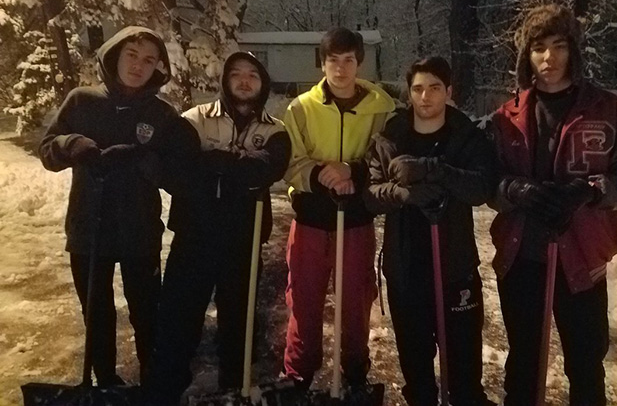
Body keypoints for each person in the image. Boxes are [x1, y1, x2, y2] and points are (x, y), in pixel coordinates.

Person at [489, 3, 617, 405]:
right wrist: (515, 190)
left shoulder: (610, 110)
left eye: (559, 46)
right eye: (538, 47)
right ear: (526, 56)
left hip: (581, 261)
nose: (549, 58)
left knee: (584, 363)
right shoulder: (506, 115)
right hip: (521, 258)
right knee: (524, 363)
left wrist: (589, 190)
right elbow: (486, 181)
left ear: (573, 51)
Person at [38, 26, 188, 385]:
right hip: (89, 229)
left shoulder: (161, 114)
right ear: (115, 55)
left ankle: (153, 381)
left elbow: (180, 173)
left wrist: (147, 163)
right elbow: (47, 150)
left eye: (149, 59)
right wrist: (71, 144)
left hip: (139, 231)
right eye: (131, 55)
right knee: (97, 313)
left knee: (146, 311)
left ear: (159, 67)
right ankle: (105, 381)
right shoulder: (81, 101)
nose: (138, 66)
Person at [144, 51, 291, 405]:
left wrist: (213, 161)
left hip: (245, 236)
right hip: (195, 233)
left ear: (262, 84)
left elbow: (267, 169)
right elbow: (173, 171)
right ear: (225, 81)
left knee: (239, 319)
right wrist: (234, 166)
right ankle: (166, 388)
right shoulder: (193, 120)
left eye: (252, 75)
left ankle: (235, 386)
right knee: (180, 315)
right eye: (236, 74)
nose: (244, 81)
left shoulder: (275, 130)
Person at [364, 56, 497, 406]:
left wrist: (435, 171)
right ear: (409, 93)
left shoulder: (466, 136)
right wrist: (403, 194)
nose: (426, 97)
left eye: (435, 88)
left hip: (455, 268)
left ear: (449, 91)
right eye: (418, 89)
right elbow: (371, 194)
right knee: (416, 368)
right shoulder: (391, 135)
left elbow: (482, 187)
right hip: (406, 267)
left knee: (464, 368)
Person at [282, 27, 395, 391]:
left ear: (359, 63)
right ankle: (299, 372)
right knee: (304, 296)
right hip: (312, 218)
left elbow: (384, 158)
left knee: (356, 299)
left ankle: (355, 369)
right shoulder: (300, 108)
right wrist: (321, 175)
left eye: (349, 61)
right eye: (334, 60)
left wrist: (354, 171)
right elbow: (290, 161)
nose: (342, 69)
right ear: (322, 63)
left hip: (356, 220)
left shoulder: (382, 108)